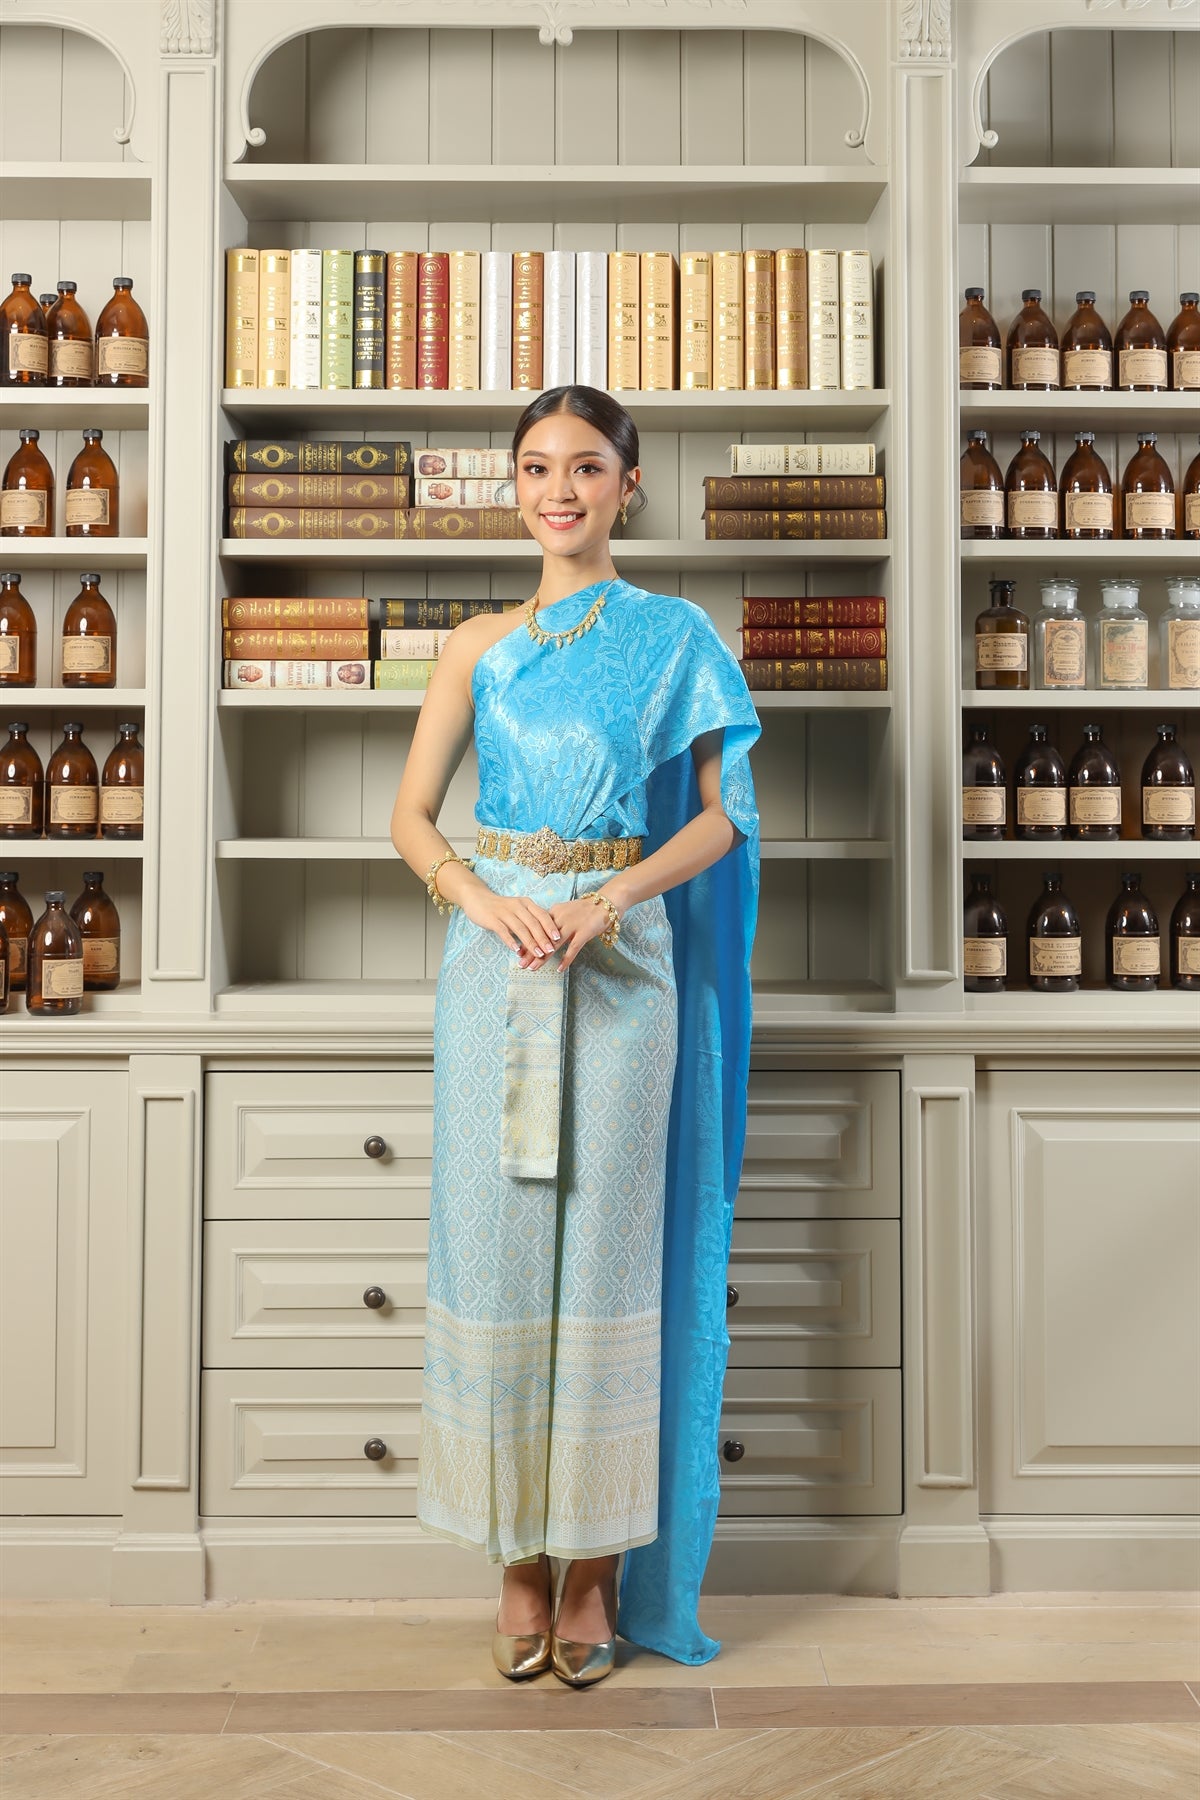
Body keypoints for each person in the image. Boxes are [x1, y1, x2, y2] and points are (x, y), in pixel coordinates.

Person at [390, 384, 760, 1686]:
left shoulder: (676, 638)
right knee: (496, 1258)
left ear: (629, 484)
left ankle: (597, 1577)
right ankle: (514, 1566)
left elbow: (723, 819)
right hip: (491, 970)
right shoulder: (476, 646)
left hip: (620, 967)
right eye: (539, 467)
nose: (562, 488)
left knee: (604, 1264)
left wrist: (608, 901)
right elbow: (412, 818)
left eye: (587, 467)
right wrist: (487, 901)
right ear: (514, 486)